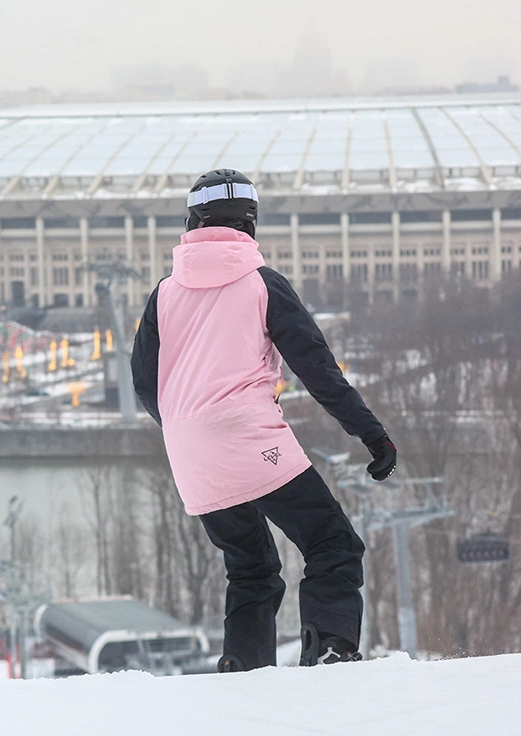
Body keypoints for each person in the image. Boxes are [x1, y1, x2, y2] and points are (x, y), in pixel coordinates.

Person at [131, 168, 397, 671]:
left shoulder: (164, 292)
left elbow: (145, 383)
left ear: (192, 221)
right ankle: (330, 651)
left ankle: (243, 668)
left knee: (251, 568)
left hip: (189, 452)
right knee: (332, 544)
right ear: (251, 224)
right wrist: (373, 435)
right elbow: (318, 370)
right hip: (249, 438)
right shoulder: (263, 285)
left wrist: (188, 433)